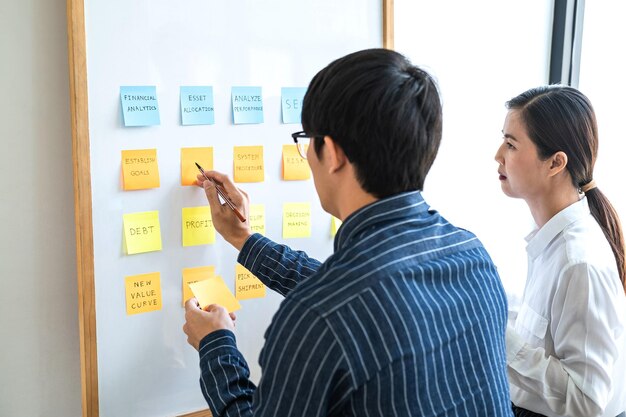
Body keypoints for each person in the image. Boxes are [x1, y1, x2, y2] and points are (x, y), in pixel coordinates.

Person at [183, 48, 513, 417]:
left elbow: (342, 300)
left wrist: (215, 344)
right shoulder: (471, 254)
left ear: (334, 153)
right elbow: (369, 295)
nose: (306, 155)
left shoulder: (319, 313)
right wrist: (244, 240)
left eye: (308, 140)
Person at [495, 85, 626, 417]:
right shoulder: (549, 242)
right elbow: (542, 338)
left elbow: (587, 404)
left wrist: (496, 337)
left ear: (555, 163)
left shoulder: (578, 262)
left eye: (511, 144)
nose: (498, 155)